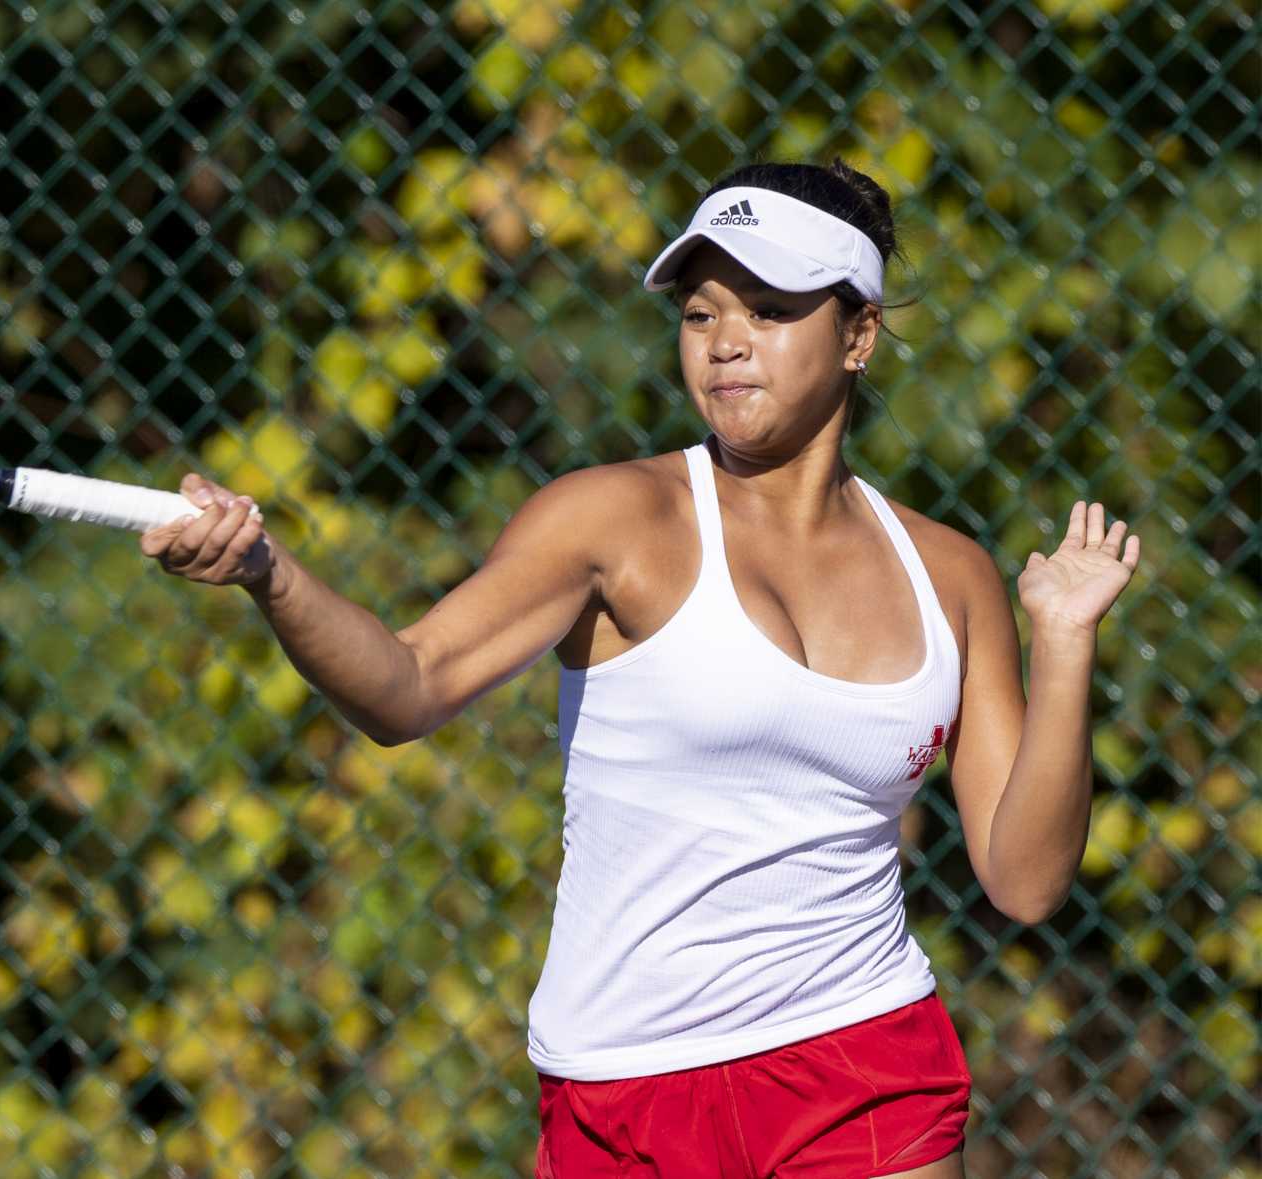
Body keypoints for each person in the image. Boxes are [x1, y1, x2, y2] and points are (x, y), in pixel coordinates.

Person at [139, 159, 1141, 1177]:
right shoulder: (611, 519)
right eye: (700, 313)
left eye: (770, 307)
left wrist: (1062, 645)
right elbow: (405, 688)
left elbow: (1023, 882)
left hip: (860, 1057)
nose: (725, 342)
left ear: (857, 335)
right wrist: (268, 573)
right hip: (622, 1085)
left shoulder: (948, 573)